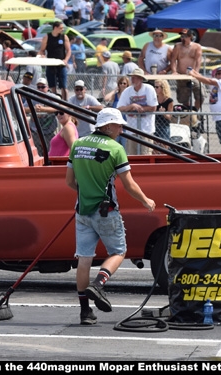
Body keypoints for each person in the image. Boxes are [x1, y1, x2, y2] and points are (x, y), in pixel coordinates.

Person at [65, 107, 156, 325]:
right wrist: (146, 200)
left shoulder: (78, 144)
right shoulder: (116, 149)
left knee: (84, 258)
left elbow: (69, 182)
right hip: (106, 211)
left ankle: (85, 312)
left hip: (82, 211)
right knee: (118, 251)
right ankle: (98, 284)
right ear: (106, 126)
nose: (121, 128)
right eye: (118, 124)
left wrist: (86, 190)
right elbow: (129, 184)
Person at [188, 66, 221, 153]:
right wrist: (194, 72)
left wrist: (193, 75)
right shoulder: (215, 83)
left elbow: (208, 80)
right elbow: (205, 79)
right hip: (219, 117)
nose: (220, 75)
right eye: (218, 73)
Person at [116, 68, 157, 155]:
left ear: (141, 79)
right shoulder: (127, 91)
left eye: (135, 77)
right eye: (132, 77)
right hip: (131, 130)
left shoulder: (149, 89)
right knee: (132, 156)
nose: (133, 79)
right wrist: (132, 106)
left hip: (146, 130)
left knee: (145, 155)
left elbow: (153, 107)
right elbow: (119, 108)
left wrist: (140, 109)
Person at [170, 29, 206, 110]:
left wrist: (196, 72)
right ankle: (188, 112)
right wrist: (174, 71)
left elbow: (198, 60)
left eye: (185, 36)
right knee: (183, 98)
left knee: (201, 95)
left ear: (190, 37)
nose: (182, 38)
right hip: (181, 75)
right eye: (181, 36)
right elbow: (173, 60)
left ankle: (195, 111)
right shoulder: (177, 46)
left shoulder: (197, 47)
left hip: (193, 75)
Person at [38, 21, 71, 101]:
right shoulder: (47, 37)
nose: (62, 30)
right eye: (60, 28)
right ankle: (54, 101)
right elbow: (42, 50)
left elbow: (69, 50)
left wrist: (66, 60)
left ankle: (64, 101)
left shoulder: (64, 37)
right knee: (52, 85)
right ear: (55, 28)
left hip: (61, 63)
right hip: (51, 63)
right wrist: (42, 56)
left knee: (63, 85)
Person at [25, 78, 59, 155]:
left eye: (43, 87)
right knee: (37, 154)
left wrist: (43, 109)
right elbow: (23, 108)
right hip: (35, 132)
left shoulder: (52, 97)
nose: (40, 89)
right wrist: (33, 109)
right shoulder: (32, 97)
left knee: (50, 153)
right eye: (38, 87)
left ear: (47, 87)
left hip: (49, 132)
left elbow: (57, 108)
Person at [103, 76, 130, 148]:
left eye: (124, 83)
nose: (122, 85)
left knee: (125, 147)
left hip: (125, 125)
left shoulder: (129, 95)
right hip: (115, 124)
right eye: (120, 83)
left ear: (127, 85)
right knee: (114, 146)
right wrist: (114, 90)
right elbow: (106, 98)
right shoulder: (115, 96)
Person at [153, 79, 173, 152]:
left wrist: (163, 113)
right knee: (154, 148)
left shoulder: (169, 101)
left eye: (157, 87)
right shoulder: (154, 99)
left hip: (164, 126)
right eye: (154, 87)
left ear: (163, 88)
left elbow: (169, 116)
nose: (155, 89)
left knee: (164, 148)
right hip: (154, 125)